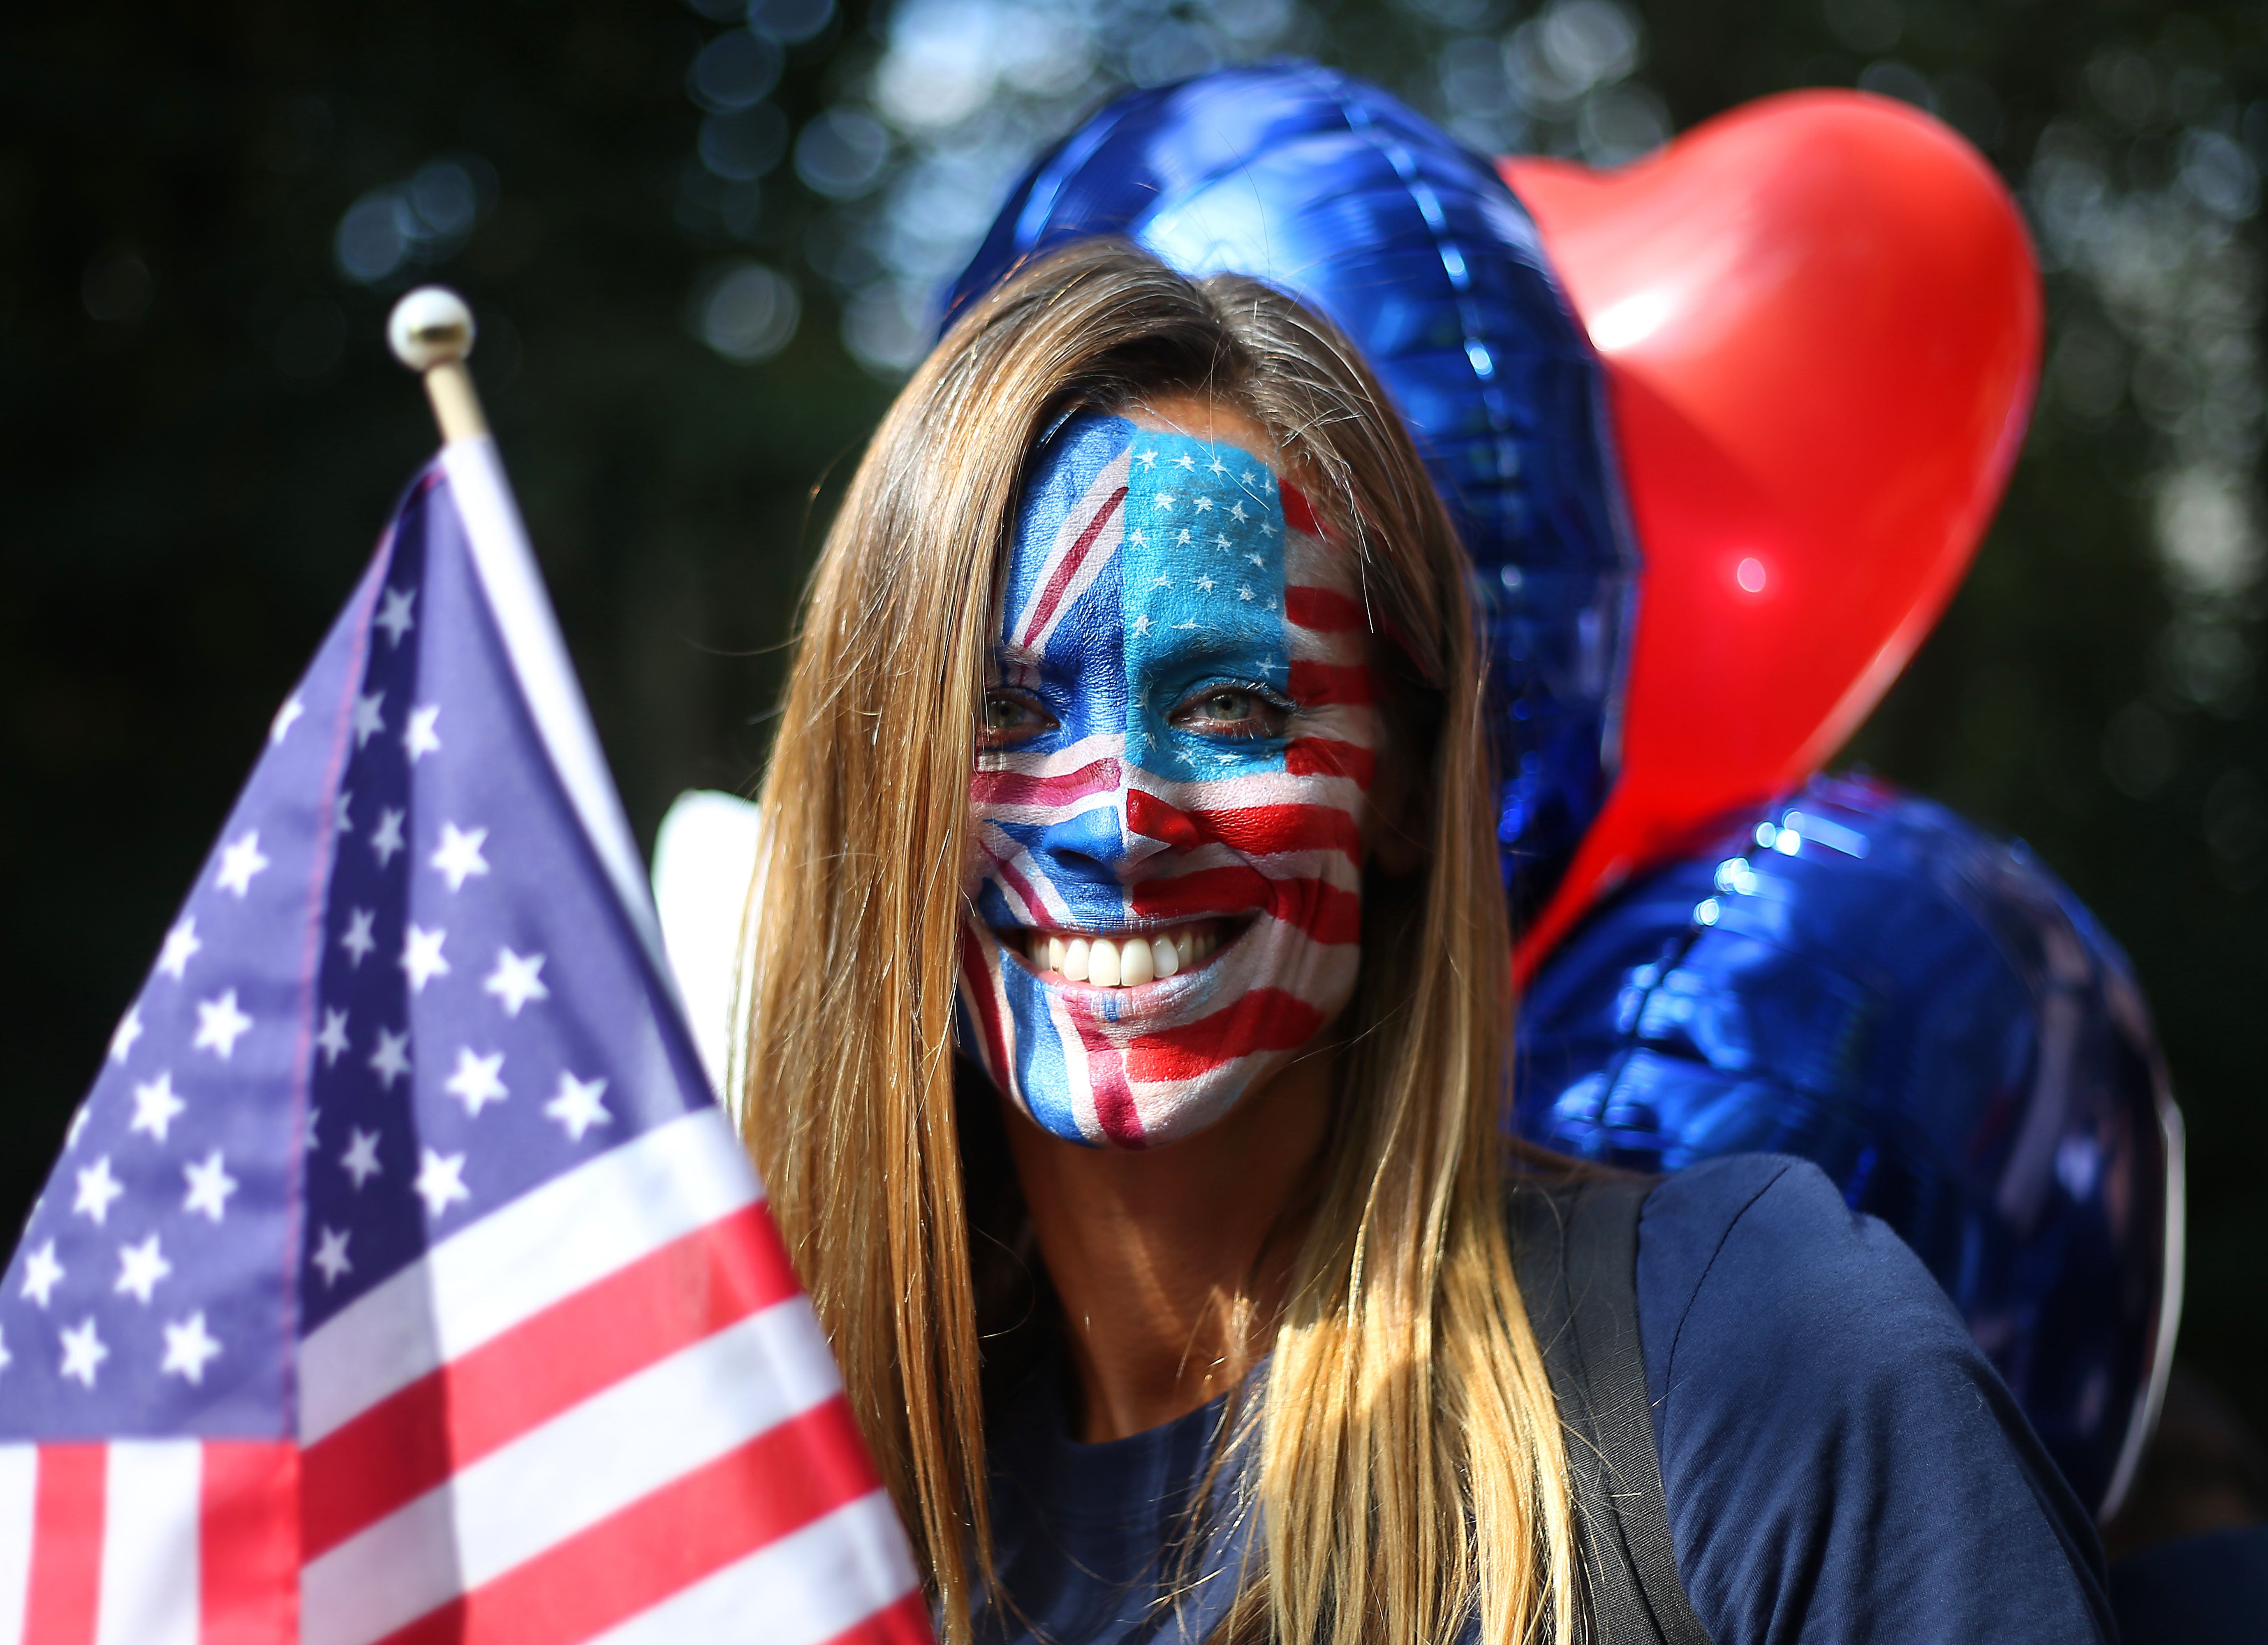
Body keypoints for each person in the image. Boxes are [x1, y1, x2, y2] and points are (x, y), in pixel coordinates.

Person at [731, 238, 2115, 1644]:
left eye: (1227, 708)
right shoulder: (777, 1531)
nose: (1120, 820)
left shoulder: (1763, 1355)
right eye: (1005, 716)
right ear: (872, 792)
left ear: (1397, 784)